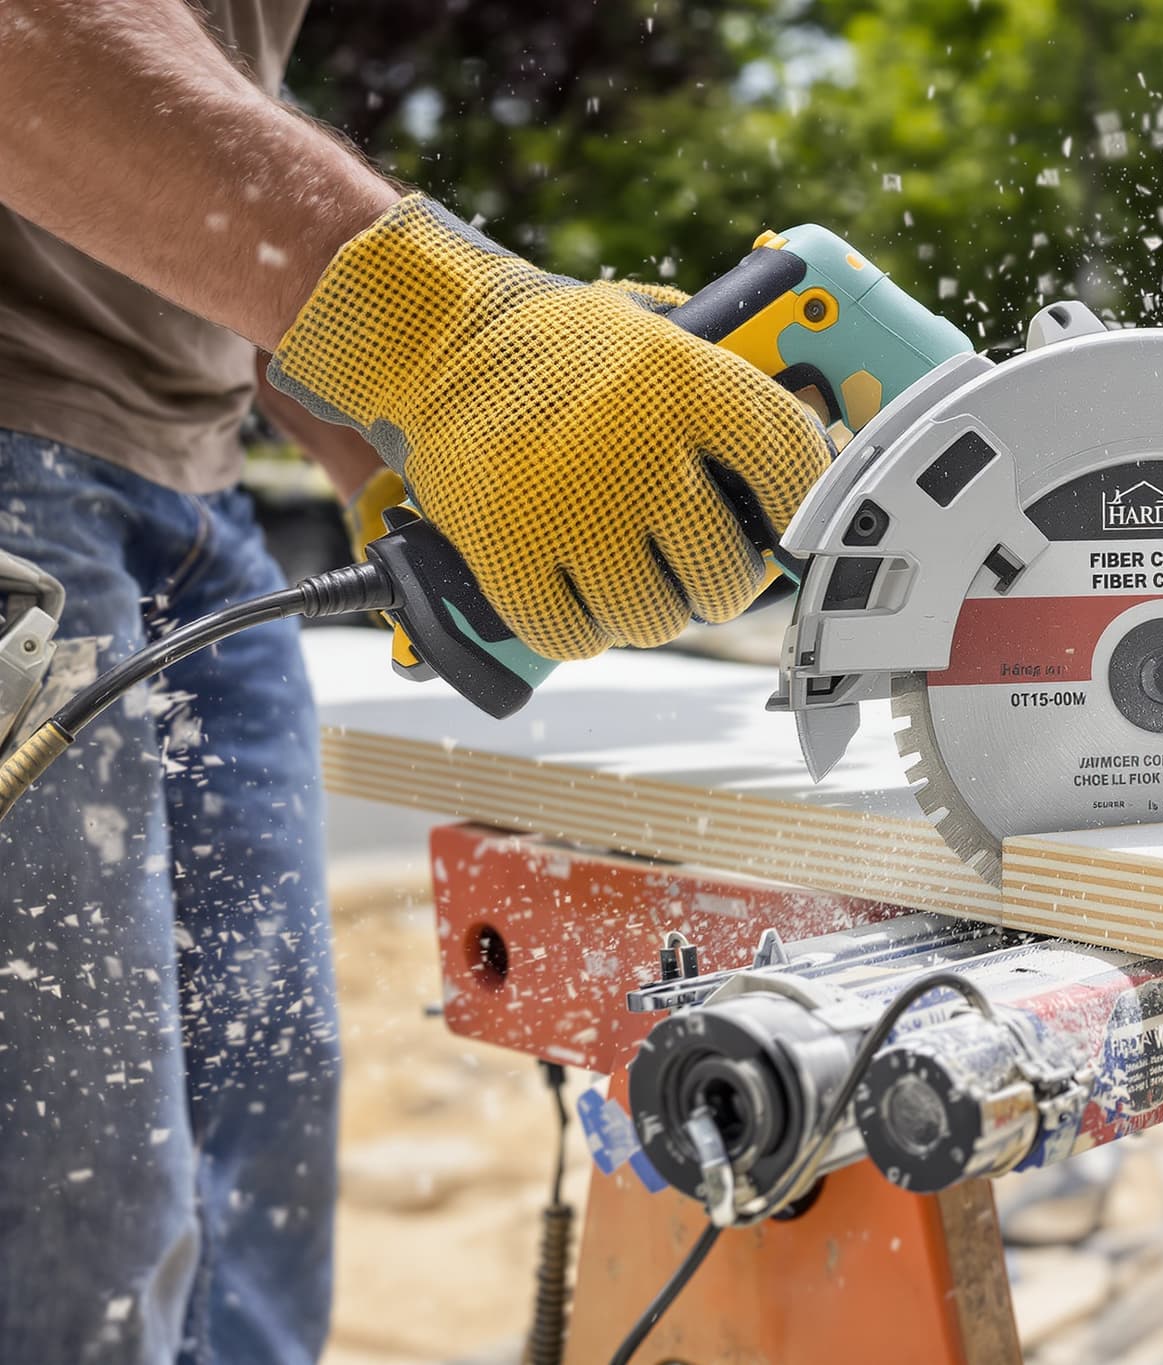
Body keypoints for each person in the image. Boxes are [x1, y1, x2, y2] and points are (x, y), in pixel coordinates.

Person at [0, 2, 831, 1359]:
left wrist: (402, 450)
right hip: (19, 473)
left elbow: (187, 130)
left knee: (253, 1151)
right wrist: (451, 327)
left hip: (198, 492)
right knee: (75, 1203)